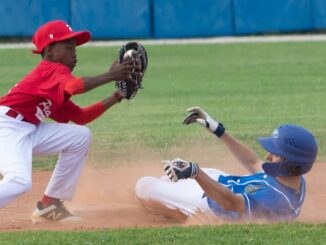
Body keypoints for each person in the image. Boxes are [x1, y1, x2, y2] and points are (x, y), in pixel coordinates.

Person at [0, 20, 141, 224]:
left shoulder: (56, 85)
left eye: (75, 48)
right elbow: (76, 86)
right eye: (68, 48)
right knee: (20, 181)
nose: (74, 54)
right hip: (7, 126)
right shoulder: (50, 70)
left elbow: (81, 117)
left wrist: (116, 97)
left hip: (26, 129)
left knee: (79, 136)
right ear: (49, 51)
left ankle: (49, 205)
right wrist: (112, 75)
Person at [135, 107, 318, 223]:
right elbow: (252, 161)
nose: (268, 156)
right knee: (166, 176)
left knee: (143, 186)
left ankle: (179, 212)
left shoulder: (277, 201)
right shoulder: (291, 178)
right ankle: (172, 196)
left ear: (291, 164)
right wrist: (218, 130)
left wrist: (195, 172)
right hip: (221, 182)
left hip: (208, 202)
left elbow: (230, 203)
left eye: (275, 154)